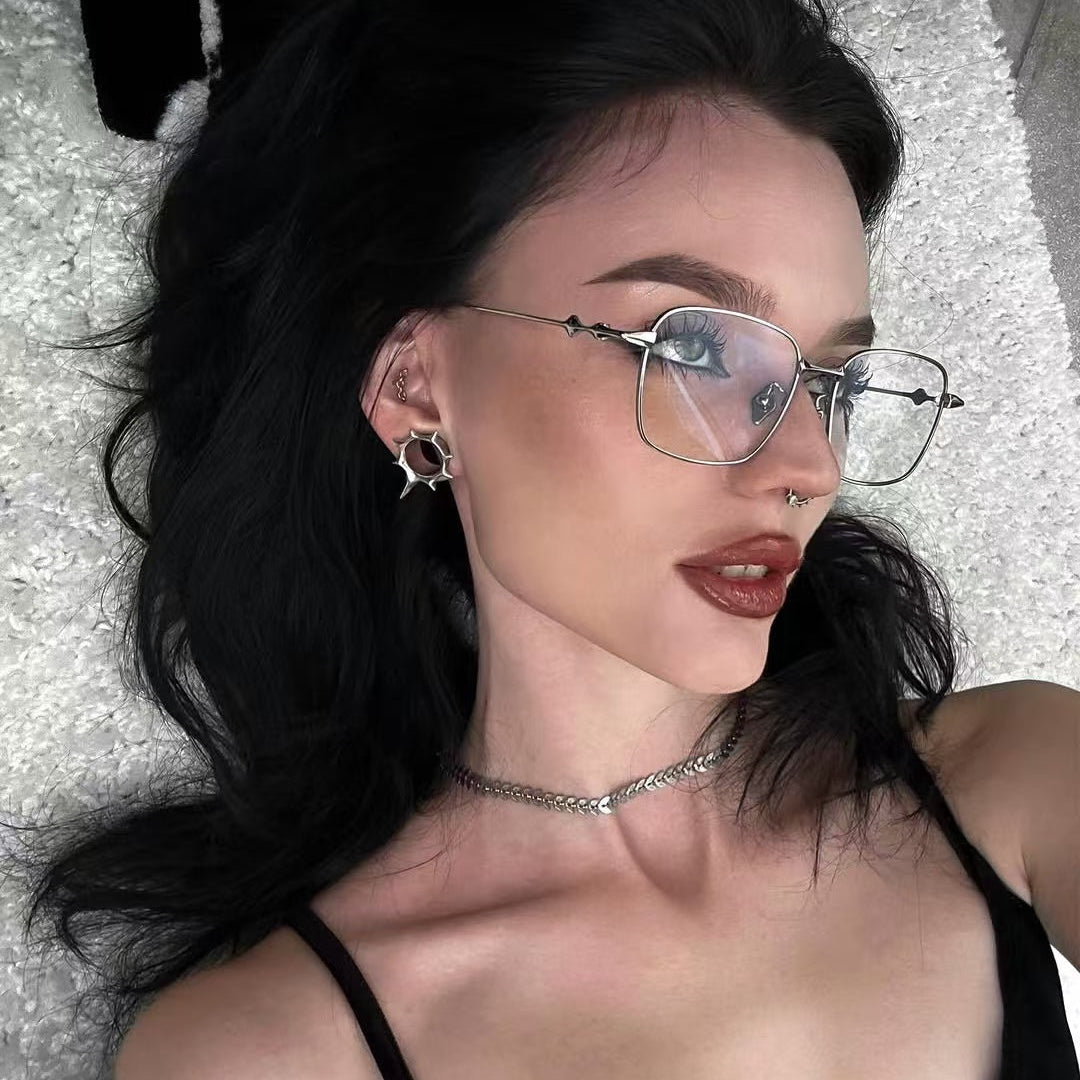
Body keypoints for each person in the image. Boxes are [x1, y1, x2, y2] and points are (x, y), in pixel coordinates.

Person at [8, 1, 1077, 1078]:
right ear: (416, 386)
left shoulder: (1017, 773)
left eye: (830, 378)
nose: (809, 465)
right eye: (698, 350)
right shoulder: (271, 1051)